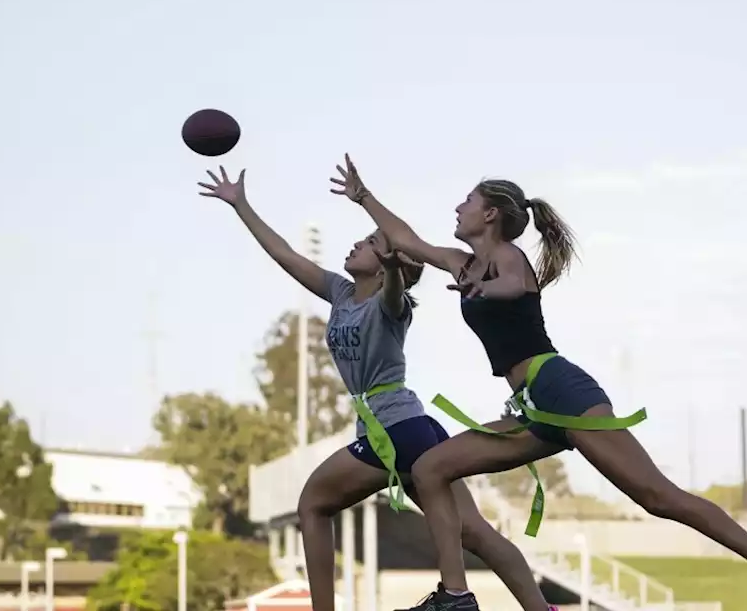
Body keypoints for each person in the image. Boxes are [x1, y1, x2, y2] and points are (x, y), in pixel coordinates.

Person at [329, 154, 747, 611]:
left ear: (492, 215)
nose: (458, 208)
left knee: (658, 497)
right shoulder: (463, 264)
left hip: (562, 391)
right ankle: (455, 596)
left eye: (468, 201)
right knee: (432, 469)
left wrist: (486, 287)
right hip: (530, 409)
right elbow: (407, 239)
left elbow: (516, 286)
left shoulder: (508, 257)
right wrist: (363, 196)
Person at [198, 166, 554, 611]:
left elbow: (392, 291)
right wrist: (241, 205)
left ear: (392, 264)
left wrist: (392, 274)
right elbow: (287, 256)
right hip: (410, 428)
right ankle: (541, 609)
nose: (357, 244)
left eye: (370, 242)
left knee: (313, 503)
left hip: (396, 428)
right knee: (473, 532)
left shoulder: (394, 303)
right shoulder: (341, 293)